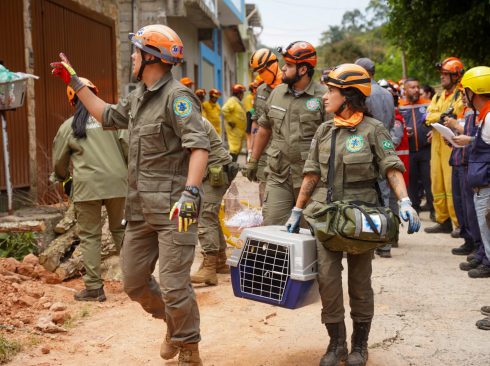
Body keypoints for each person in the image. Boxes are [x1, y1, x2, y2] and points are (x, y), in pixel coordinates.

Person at [50, 24, 210, 365]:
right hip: (139, 210)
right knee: (134, 283)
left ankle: (188, 346)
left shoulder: (177, 99)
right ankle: (171, 322)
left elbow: (199, 147)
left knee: (173, 283)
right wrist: (74, 82)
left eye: (137, 52)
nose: (133, 57)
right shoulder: (138, 96)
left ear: (151, 57)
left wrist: (191, 193)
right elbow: (107, 115)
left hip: (174, 210)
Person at [285, 64, 420, 366]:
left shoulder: (374, 129)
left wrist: (406, 201)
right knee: (328, 281)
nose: (325, 96)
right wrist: (297, 209)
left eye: (331, 91)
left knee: (360, 283)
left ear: (348, 95)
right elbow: (311, 173)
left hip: (362, 219)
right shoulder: (324, 130)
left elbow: (391, 167)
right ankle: (336, 344)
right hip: (325, 218)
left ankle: (360, 344)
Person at [51, 77, 127, 302]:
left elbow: (59, 163)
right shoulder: (113, 118)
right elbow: (128, 148)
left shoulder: (69, 126)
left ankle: (94, 289)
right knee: (121, 231)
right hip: (118, 184)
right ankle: (138, 281)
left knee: (90, 236)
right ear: (95, 93)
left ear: (72, 100)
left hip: (87, 188)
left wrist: (64, 180)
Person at [246, 41, 327, 225]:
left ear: (303, 70)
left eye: (289, 65)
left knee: (309, 233)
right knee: (272, 226)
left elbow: (332, 140)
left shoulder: (323, 97)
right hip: (278, 174)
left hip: (311, 179)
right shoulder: (276, 93)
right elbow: (264, 128)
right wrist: (253, 160)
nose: (282, 69)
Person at [453, 66, 490, 330]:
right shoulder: (484, 116)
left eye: (465, 90)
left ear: (473, 90)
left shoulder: (489, 117)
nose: (463, 96)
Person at [355, 57, 397, 258]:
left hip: (366, 148)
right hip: (385, 147)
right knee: (385, 195)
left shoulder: (362, 92)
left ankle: (369, 241)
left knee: (367, 196)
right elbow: (391, 121)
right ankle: (386, 244)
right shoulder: (388, 94)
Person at [191, 117, 236, 286]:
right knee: (210, 215)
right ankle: (219, 261)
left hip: (216, 171)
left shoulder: (189, 120)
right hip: (214, 169)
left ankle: (209, 268)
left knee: (205, 214)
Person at [424, 57, 465, 235]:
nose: (442, 78)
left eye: (446, 75)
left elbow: (455, 113)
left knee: (451, 185)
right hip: (437, 143)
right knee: (437, 183)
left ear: (456, 76)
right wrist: (441, 116)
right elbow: (428, 117)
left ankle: (458, 224)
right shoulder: (438, 95)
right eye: (441, 74)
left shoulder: (460, 94)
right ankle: (443, 220)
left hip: (450, 143)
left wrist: (439, 116)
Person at [444, 93, 483, 257]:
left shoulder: (481, 113)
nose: (464, 97)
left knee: (471, 209)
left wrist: (457, 127)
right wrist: (451, 138)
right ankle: (468, 240)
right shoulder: (466, 112)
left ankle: (478, 247)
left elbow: (475, 137)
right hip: (458, 161)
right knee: (460, 205)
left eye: (466, 93)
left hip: (469, 164)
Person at [248, 48, 283, 204]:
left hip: (283, 153)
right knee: (263, 195)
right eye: (258, 72)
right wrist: (252, 154)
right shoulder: (261, 90)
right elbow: (256, 121)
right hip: (263, 152)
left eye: (263, 70)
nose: (261, 75)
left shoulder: (289, 88)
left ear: (274, 65)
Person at [399, 78, 434, 218]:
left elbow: (436, 120)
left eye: (417, 87)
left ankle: (434, 210)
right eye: (412, 87)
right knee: (411, 182)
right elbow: (396, 124)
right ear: (405, 90)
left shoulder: (428, 104)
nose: (416, 90)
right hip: (409, 151)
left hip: (426, 149)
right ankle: (415, 210)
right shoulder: (400, 105)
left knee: (429, 181)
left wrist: (433, 131)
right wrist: (403, 131)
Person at [222, 84, 247, 162]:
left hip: (238, 130)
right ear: (239, 93)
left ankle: (232, 166)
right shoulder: (232, 101)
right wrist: (230, 121)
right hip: (234, 129)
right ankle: (230, 167)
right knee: (234, 148)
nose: (243, 95)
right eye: (242, 93)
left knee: (237, 148)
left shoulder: (237, 102)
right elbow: (224, 109)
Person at [243, 81, 257, 159]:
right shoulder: (249, 97)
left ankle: (251, 152)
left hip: (253, 116)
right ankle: (249, 152)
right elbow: (249, 110)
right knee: (249, 136)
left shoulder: (254, 96)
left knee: (252, 136)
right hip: (250, 116)